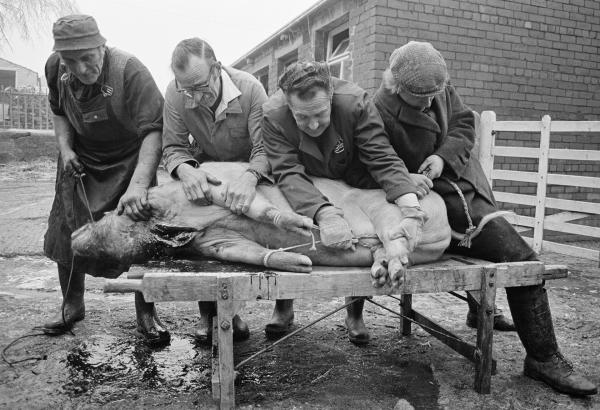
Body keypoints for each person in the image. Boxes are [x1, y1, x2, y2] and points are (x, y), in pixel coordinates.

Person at [372, 41, 597, 395]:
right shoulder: (378, 111)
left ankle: (522, 342)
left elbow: (464, 123)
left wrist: (443, 157)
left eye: (436, 94)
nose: (431, 103)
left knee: (510, 251)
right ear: (396, 86)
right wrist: (409, 178)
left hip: (467, 184)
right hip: (436, 202)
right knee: (519, 256)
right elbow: (376, 160)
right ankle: (543, 356)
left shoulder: (440, 87)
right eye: (421, 98)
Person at [262, 61, 425, 345]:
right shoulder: (273, 115)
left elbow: (381, 157)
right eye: (302, 117)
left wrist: (411, 208)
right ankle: (283, 306)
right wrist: (324, 213)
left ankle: (354, 313)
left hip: (353, 174)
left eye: (320, 114)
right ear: (289, 106)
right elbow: (286, 171)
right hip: (304, 181)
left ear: (331, 96)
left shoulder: (355, 103)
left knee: (362, 235)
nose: (312, 125)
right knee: (290, 229)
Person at [42, 15, 167, 345]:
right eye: (72, 60)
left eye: (88, 58)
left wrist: (139, 184)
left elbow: (154, 130)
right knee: (66, 228)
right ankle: (72, 303)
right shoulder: (55, 68)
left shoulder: (130, 71)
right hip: (80, 158)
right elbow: (58, 110)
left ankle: (146, 313)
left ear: (102, 46)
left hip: (130, 160)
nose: (81, 68)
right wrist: (65, 148)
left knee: (139, 234)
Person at [162, 38, 270, 342]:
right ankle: (213, 314)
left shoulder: (250, 89)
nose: (194, 98)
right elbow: (172, 146)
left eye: (200, 86)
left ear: (216, 68)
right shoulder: (175, 91)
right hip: (210, 173)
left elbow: (267, 148)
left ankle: (283, 309)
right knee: (200, 230)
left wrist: (250, 177)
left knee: (273, 224)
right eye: (187, 89)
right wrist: (185, 169)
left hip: (253, 173)